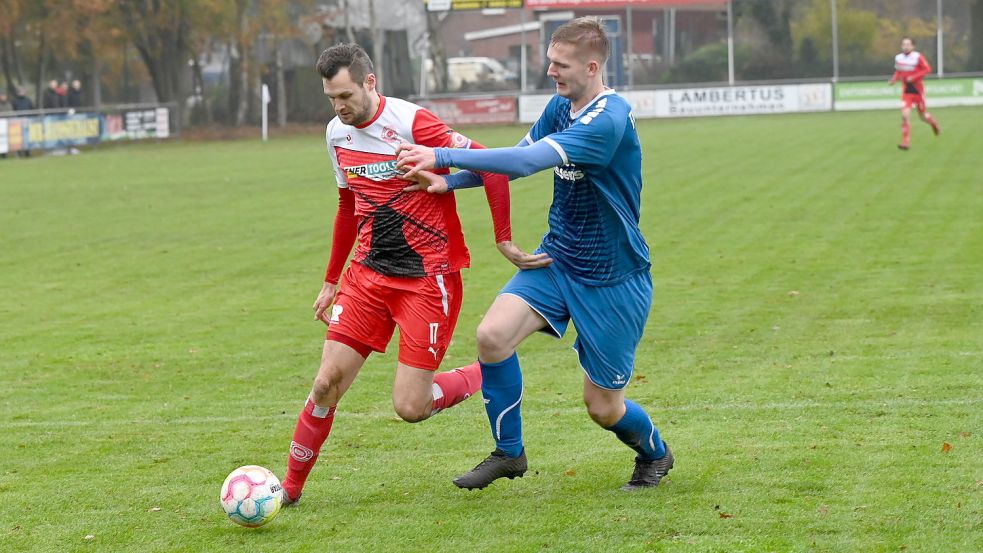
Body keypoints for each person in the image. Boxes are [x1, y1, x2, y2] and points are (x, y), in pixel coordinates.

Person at [396, 17, 673, 491]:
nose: (551, 72)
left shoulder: (607, 119)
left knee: (603, 408)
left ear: (591, 66)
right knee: (492, 336)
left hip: (613, 277)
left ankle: (655, 454)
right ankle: (510, 452)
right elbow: (516, 161)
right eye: (549, 61)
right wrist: (449, 182)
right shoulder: (560, 106)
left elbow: (525, 161)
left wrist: (443, 156)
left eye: (560, 65)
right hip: (557, 258)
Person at [279, 42, 549, 506]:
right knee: (325, 384)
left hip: (428, 279)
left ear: (370, 82)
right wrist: (330, 279)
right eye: (331, 99)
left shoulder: (412, 122)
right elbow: (347, 207)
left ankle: (487, 371)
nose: (339, 107)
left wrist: (503, 237)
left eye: (345, 95)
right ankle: (288, 490)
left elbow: (492, 166)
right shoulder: (336, 135)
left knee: (411, 408)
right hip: (367, 276)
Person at [888, 36, 940, 151]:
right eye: (904, 44)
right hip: (907, 91)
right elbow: (898, 71)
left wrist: (914, 77)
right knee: (905, 115)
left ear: (912, 46)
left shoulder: (917, 57)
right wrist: (893, 79)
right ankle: (905, 141)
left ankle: (933, 123)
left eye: (908, 44)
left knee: (922, 116)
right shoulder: (899, 58)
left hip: (918, 90)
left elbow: (927, 69)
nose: (905, 47)